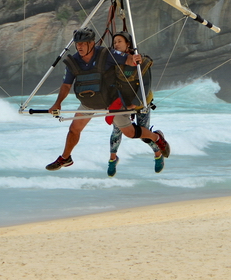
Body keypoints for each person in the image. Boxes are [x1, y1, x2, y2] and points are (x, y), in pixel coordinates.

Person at [46, 28, 170, 173]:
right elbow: (66, 85)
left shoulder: (107, 54)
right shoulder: (73, 61)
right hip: (89, 103)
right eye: (77, 43)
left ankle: (156, 137)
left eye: (84, 43)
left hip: (111, 101)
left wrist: (135, 59)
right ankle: (65, 158)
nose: (80, 46)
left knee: (130, 133)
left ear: (92, 43)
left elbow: (128, 60)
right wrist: (57, 103)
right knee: (74, 129)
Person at [107, 32, 162, 177]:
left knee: (144, 133)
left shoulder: (142, 62)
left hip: (141, 102)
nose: (116, 44)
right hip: (123, 102)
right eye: (114, 42)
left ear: (128, 45)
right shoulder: (114, 61)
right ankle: (112, 159)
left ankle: (158, 153)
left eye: (119, 41)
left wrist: (135, 103)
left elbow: (146, 85)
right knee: (116, 131)